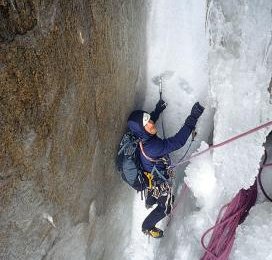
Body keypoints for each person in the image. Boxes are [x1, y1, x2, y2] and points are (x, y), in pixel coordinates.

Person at [127, 100, 204, 238]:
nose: (151, 123)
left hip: (150, 175)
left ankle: (151, 199)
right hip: (157, 180)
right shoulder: (153, 146)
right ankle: (147, 226)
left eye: (150, 120)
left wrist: (156, 111)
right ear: (141, 130)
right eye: (147, 124)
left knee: (161, 197)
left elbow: (147, 124)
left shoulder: (141, 137)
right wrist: (193, 117)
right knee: (165, 208)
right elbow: (178, 142)